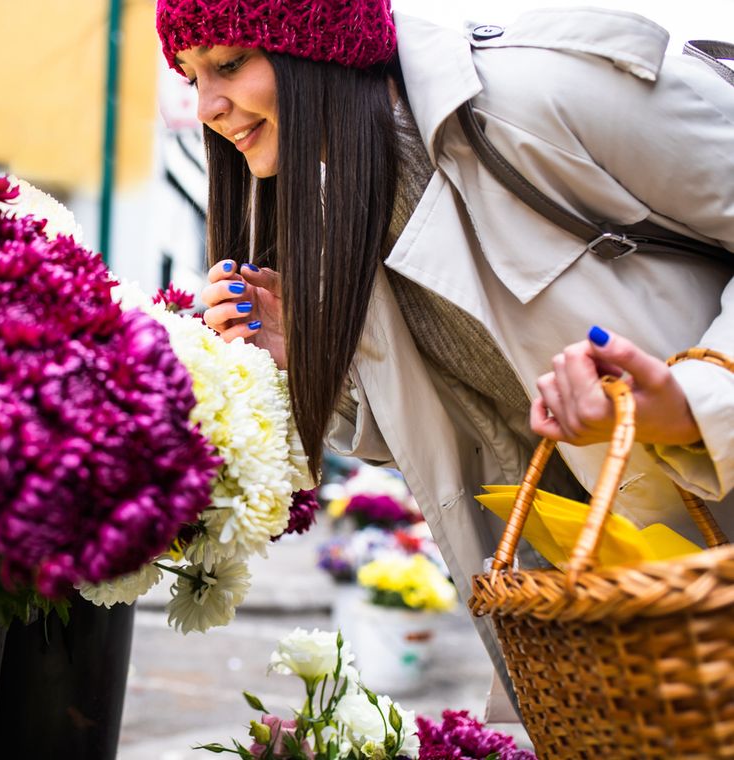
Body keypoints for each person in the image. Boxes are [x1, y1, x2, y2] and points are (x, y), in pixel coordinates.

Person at [155, 0, 734, 719]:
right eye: (189, 75)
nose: (206, 104)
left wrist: (696, 402)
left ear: (320, 40)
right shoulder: (344, 213)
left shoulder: (537, 94)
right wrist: (308, 359)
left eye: (230, 61)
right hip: (609, 636)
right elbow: (474, 421)